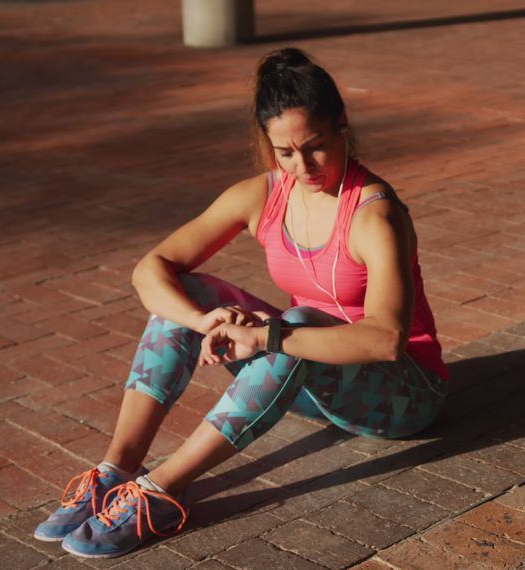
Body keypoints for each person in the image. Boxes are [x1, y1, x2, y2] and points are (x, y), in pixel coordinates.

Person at [31, 47, 449, 559]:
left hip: (403, 395)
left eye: (315, 146)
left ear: (342, 126)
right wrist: (201, 319)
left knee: (293, 322)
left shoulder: (375, 215)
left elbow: (386, 341)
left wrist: (265, 334)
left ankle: (161, 492)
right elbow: (151, 267)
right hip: (310, 374)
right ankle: (117, 468)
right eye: (285, 152)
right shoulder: (263, 196)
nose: (303, 165)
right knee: (193, 291)